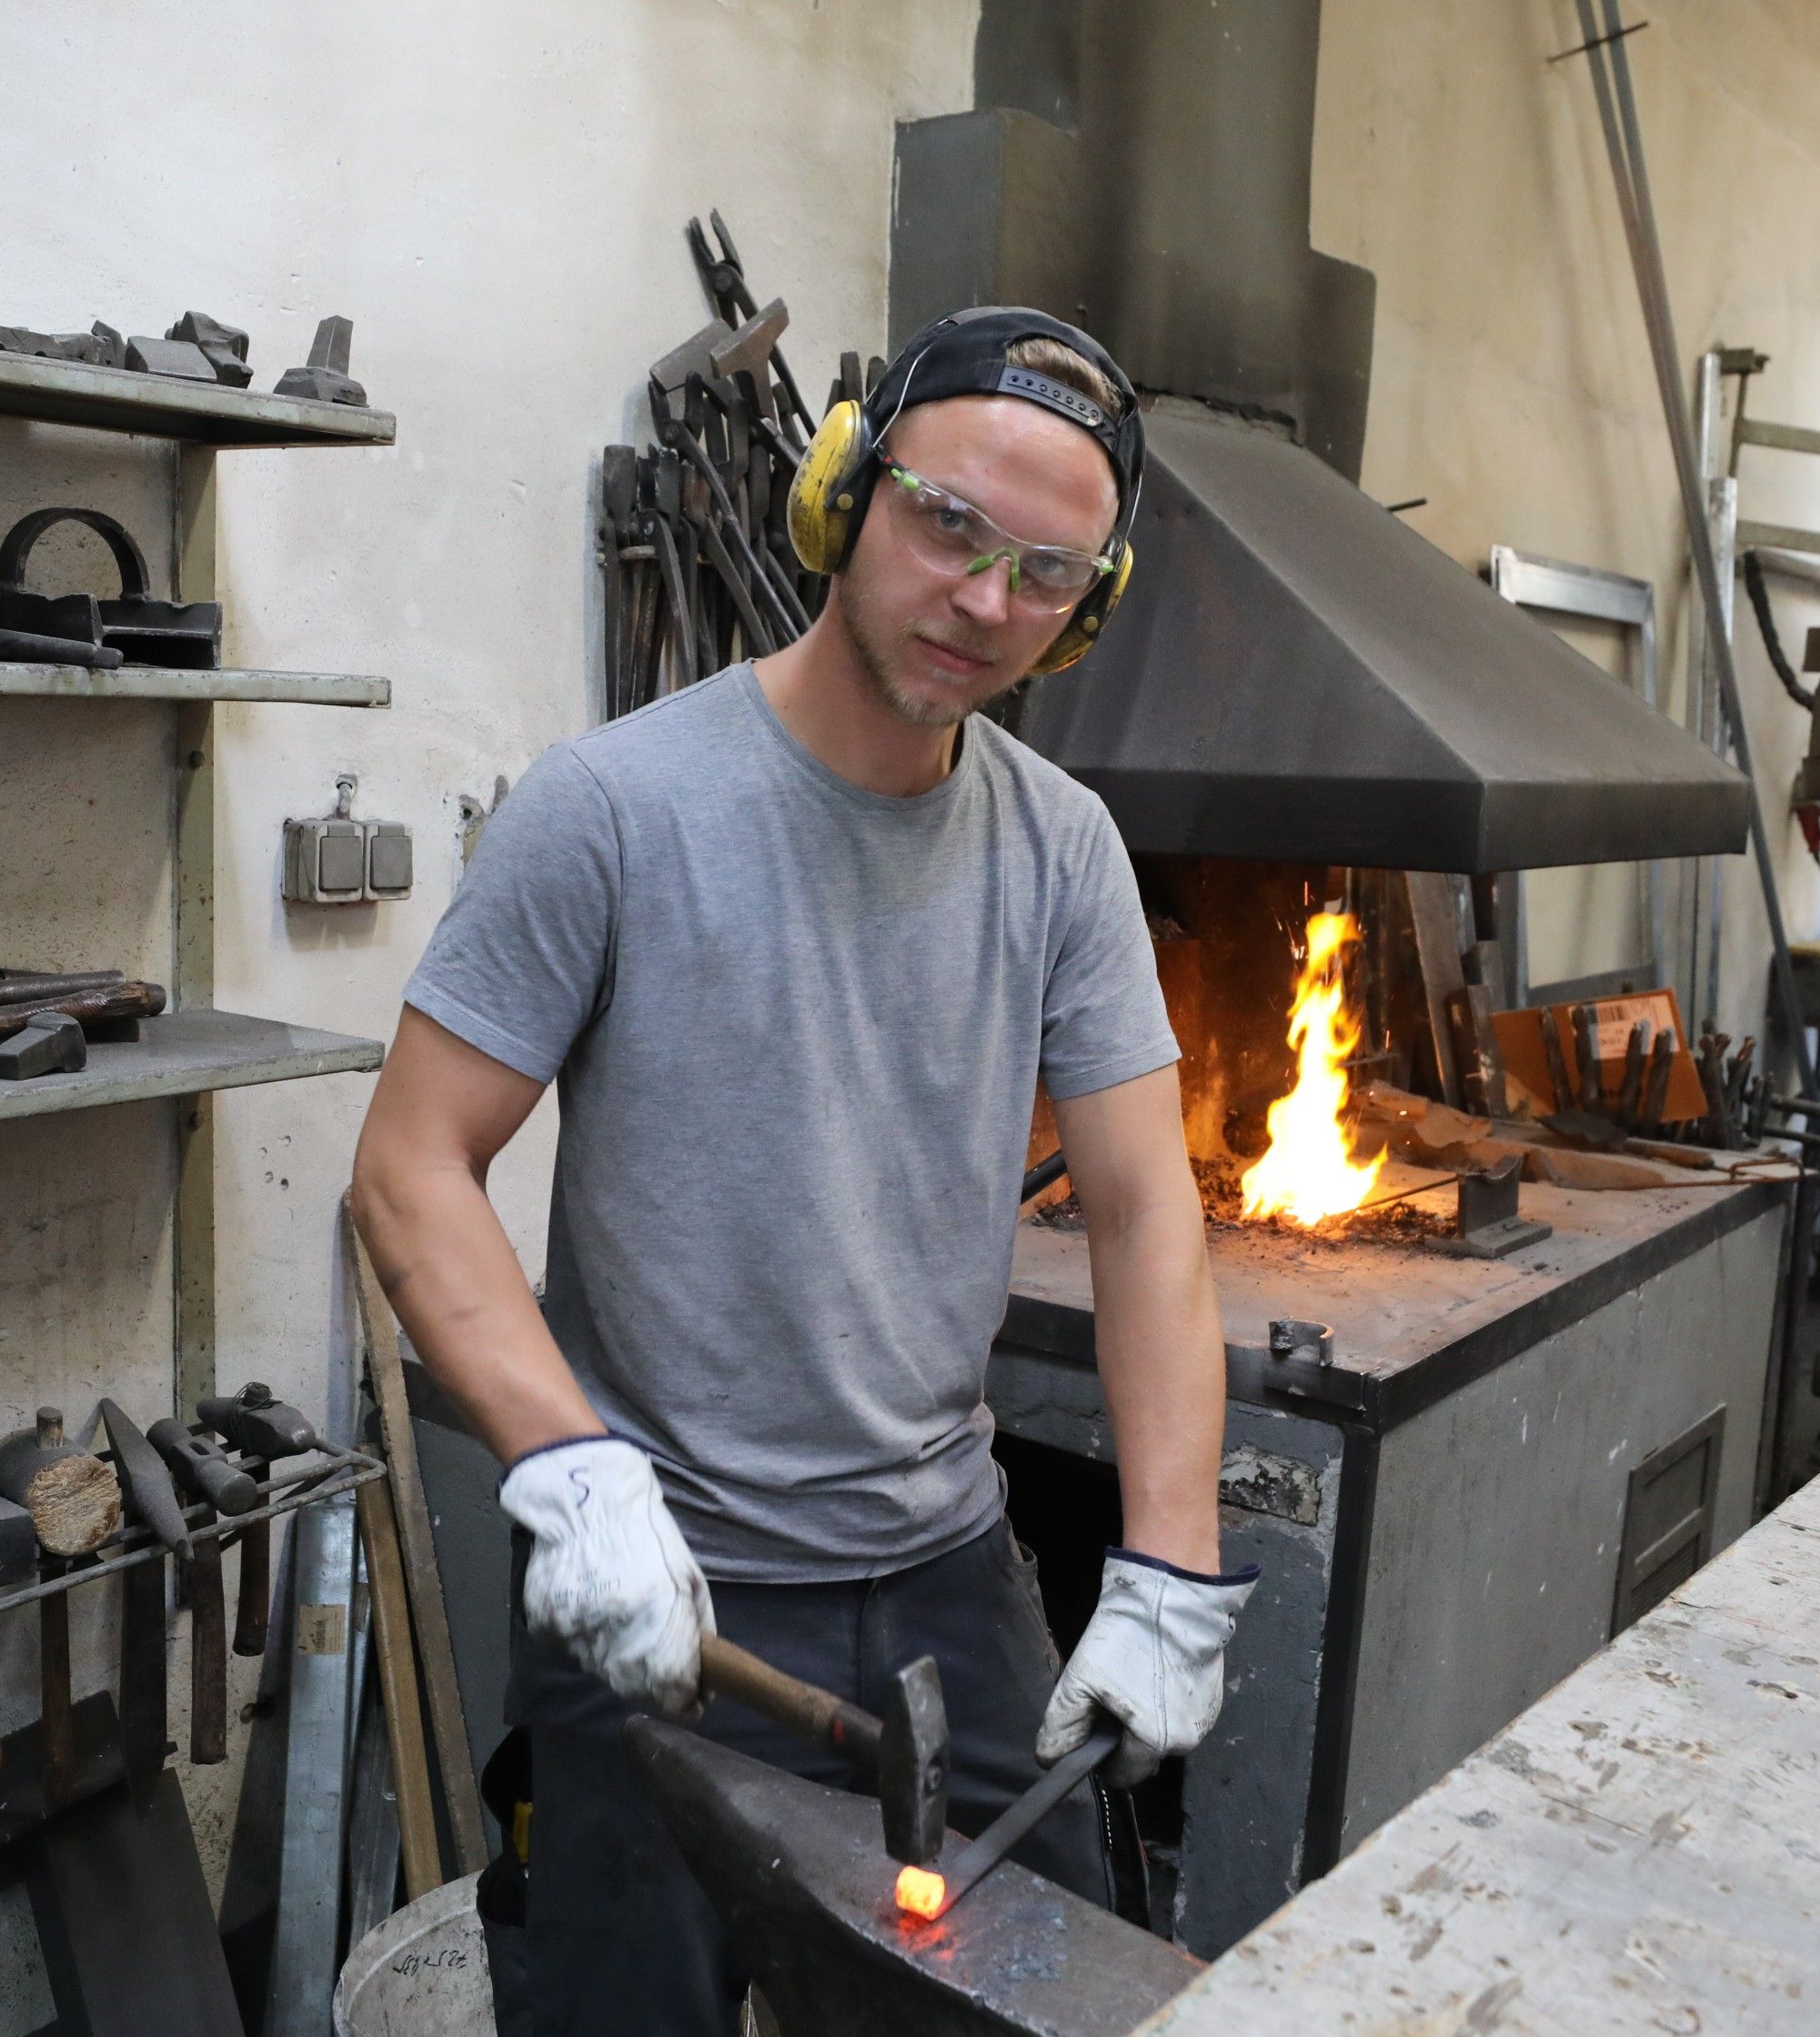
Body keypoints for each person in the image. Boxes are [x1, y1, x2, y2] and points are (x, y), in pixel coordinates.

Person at [351, 306, 1252, 2034]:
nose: (984, 599)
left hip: (947, 1571)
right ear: (843, 492)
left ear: (1087, 608)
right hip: (666, 1581)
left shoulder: (1064, 853)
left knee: (1043, 2003)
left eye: (1046, 572)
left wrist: (1169, 1563)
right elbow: (411, 1168)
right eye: (948, 523)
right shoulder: (612, 808)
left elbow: (1147, 1218)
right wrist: (573, 1478)